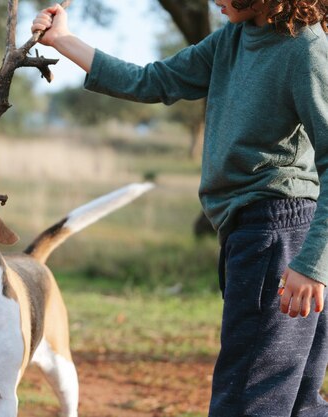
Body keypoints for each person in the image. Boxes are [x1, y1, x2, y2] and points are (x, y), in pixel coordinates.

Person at [31, 1, 328, 415]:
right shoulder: (233, 40)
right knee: (296, 405)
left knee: (248, 401)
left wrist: (313, 262)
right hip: (253, 233)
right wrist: (62, 40)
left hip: (279, 235)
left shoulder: (305, 50)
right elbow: (152, 81)